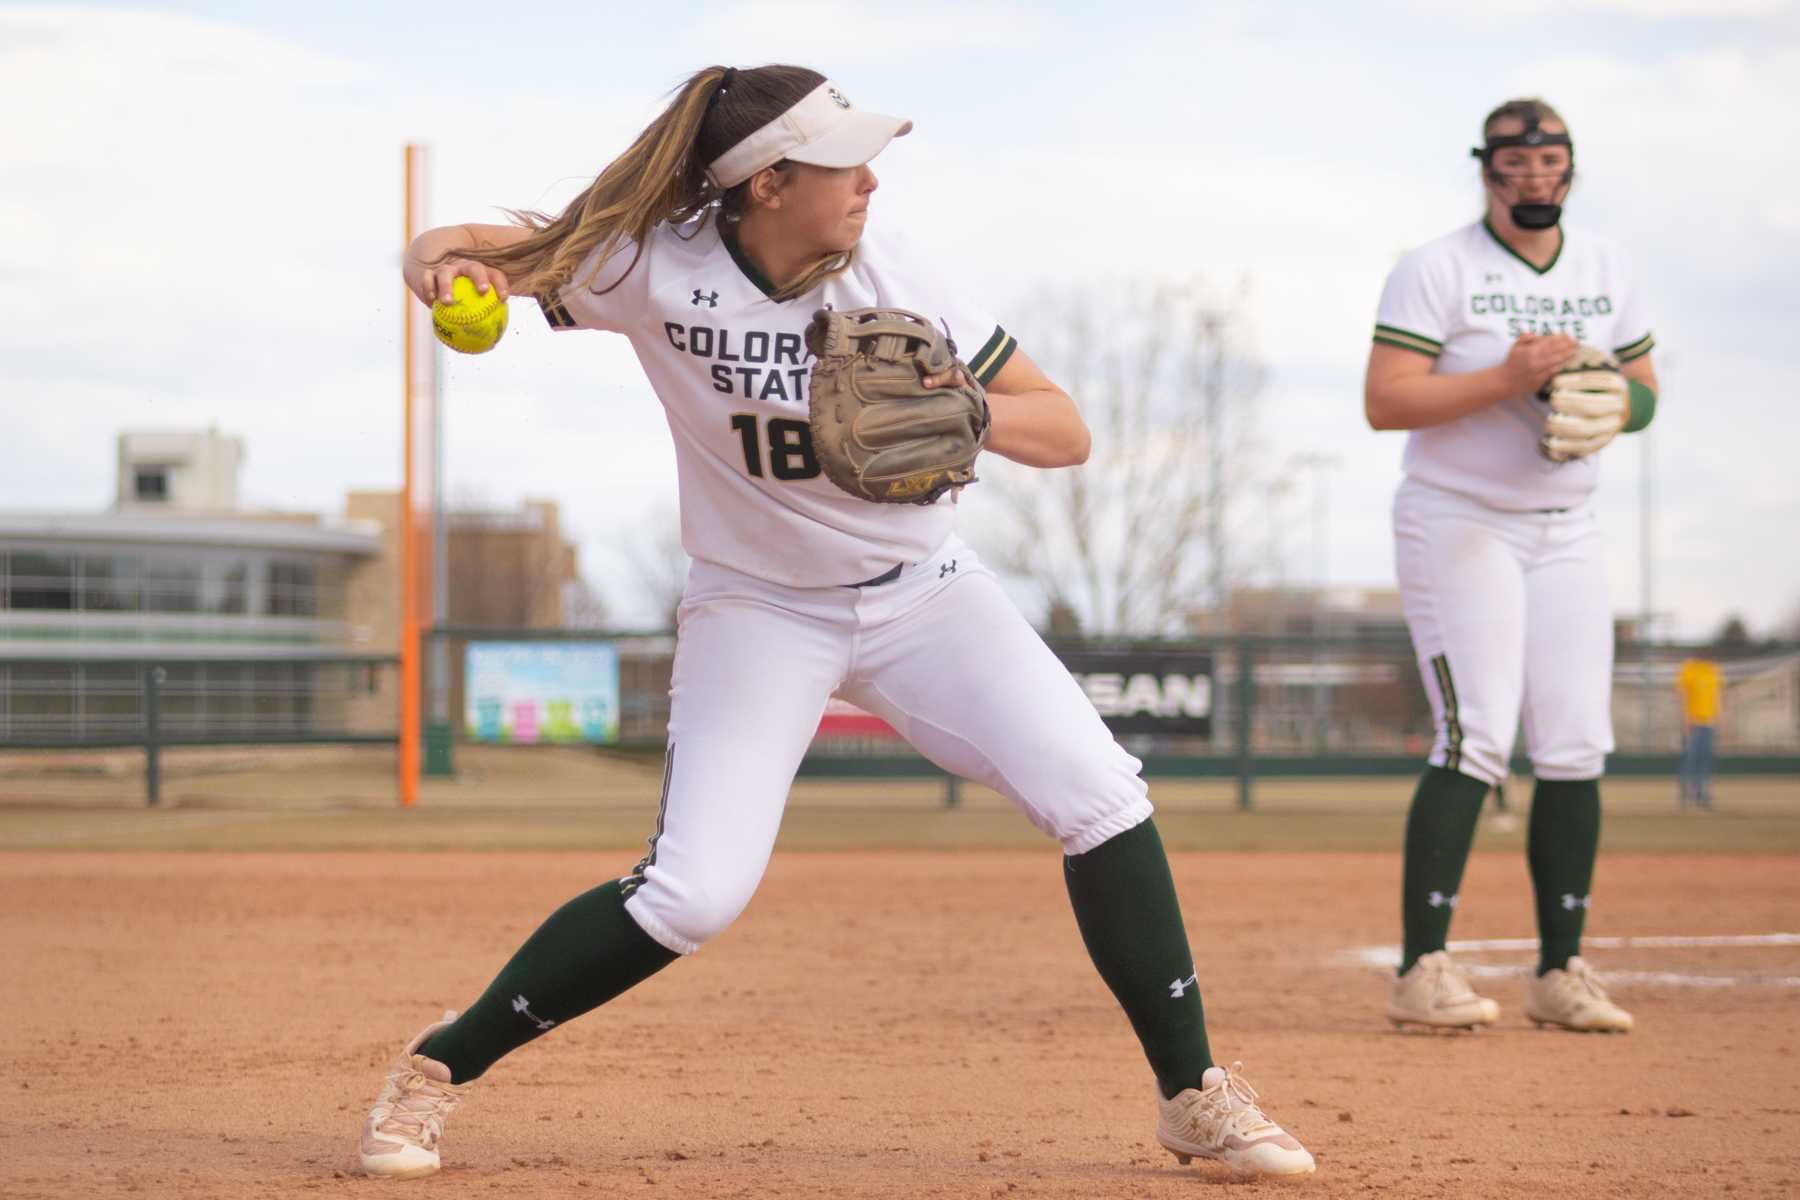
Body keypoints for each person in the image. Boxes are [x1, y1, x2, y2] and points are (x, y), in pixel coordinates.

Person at [360, 65, 1314, 1180]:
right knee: (692, 893)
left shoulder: (895, 274)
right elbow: (454, 245)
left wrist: (964, 410)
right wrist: (444, 271)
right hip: (757, 609)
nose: (868, 180)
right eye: (841, 163)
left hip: (926, 597)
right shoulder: (647, 265)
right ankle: (437, 1068)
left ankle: (1192, 1096)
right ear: (765, 184)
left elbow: (1066, 432)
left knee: (1101, 797)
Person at [1364, 97, 1659, 1035]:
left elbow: (1645, 390)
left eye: (1550, 160)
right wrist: (1508, 378)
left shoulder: (1609, 265)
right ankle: (1421, 972)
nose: (1534, 175)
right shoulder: (1438, 267)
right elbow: (1386, 400)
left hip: (1567, 522)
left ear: (1571, 166)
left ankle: (1560, 972)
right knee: (1476, 733)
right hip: (1460, 517)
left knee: (1576, 740)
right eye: (1514, 161)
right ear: (1485, 167)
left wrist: (1619, 410)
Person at [1674, 654, 1723, 809]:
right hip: (1693, 723)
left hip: (1709, 723)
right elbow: (1683, 698)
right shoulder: (1688, 671)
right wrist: (1685, 721)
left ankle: (1702, 794)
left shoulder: (1713, 672)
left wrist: (1718, 719)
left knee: (1705, 760)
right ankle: (1685, 795)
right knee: (1691, 759)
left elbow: (1717, 698)